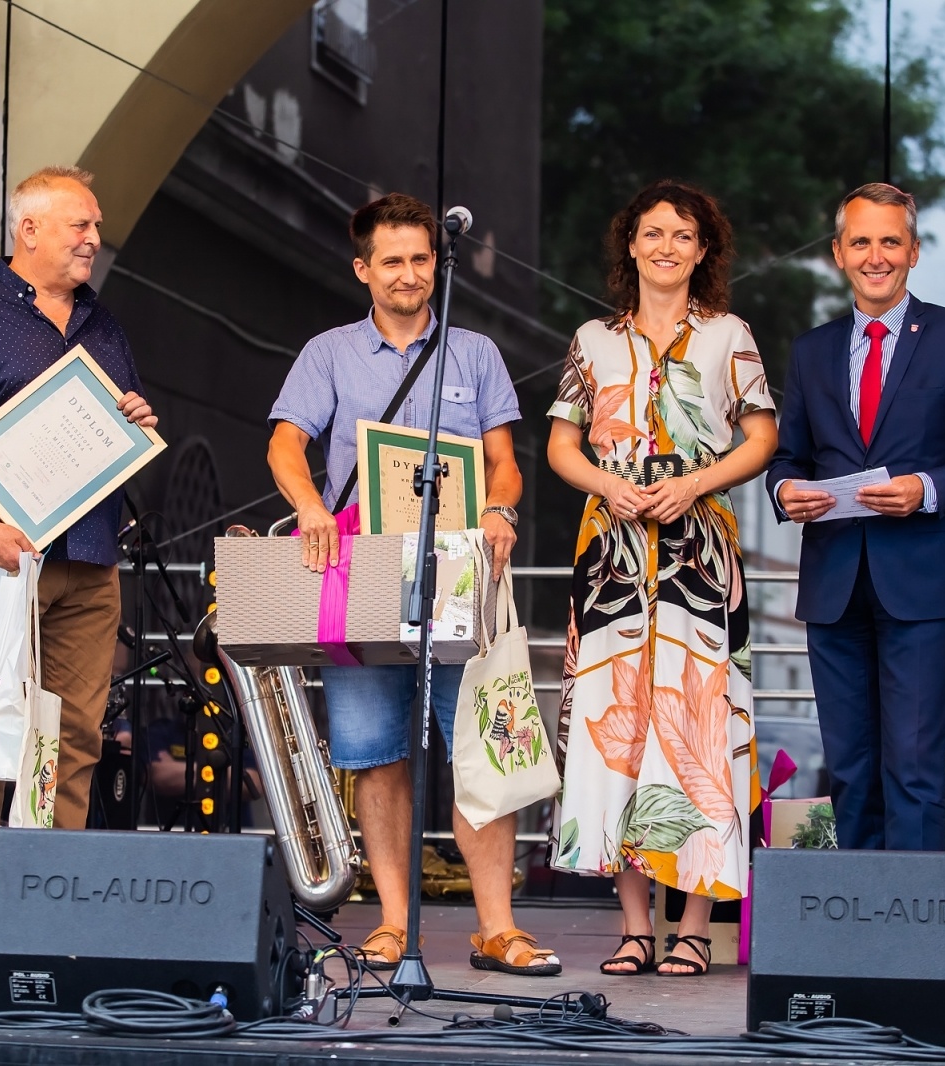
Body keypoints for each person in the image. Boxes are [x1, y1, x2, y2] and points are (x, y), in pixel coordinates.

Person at [267, 192, 559, 976]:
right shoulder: (327, 352)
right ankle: (393, 922)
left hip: (461, 570)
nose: (408, 274)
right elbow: (287, 445)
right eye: (391, 260)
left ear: (439, 264)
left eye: (421, 259)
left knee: (483, 750)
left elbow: (504, 460)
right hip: (361, 570)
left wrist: (501, 507)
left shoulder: (475, 352)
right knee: (375, 754)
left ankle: (496, 926)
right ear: (363, 269)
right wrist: (308, 508)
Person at [0, 165, 157, 958]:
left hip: (90, 560)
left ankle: (49, 906)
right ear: (28, 230)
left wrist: (136, 418)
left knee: (72, 738)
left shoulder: (104, 325)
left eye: (95, 226)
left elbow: (111, 434)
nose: (93, 238)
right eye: (80, 225)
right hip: (1, 559)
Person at [546, 180, 777, 978]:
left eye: (683, 235)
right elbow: (561, 447)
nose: (667, 246)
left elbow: (761, 437)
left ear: (703, 250)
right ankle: (636, 926)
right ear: (631, 246)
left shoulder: (728, 335)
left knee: (697, 735)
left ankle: (694, 927)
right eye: (653, 233)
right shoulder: (592, 339)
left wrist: (697, 483)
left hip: (698, 558)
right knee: (623, 732)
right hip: (609, 554)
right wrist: (607, 486)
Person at [766, 182, 945, 852]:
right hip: (834, 582)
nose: (875, 255)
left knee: (912, 768)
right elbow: (789, 455)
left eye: (889, 241)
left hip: (922, 580)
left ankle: (913, 945)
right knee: (849, 767)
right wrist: (785, 489)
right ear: (838, 254)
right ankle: (859, 932)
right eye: (861, 242)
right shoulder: (811, 350)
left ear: (912, 251)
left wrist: (927, 488)